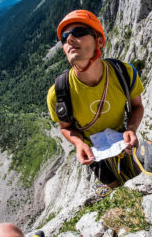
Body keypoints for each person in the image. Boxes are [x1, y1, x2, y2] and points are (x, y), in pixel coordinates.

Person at [47, 10, 145, 187]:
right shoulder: (58, 93)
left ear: (99, 41)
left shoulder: (124, 73)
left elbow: (137, 106)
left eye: (78, 32)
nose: (69, 39)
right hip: (93, 151)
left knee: (139, 179)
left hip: (122, 139)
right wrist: (78, 144)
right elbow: (65, 128)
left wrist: (131, 128)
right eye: (64, 37)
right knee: (116, 189)